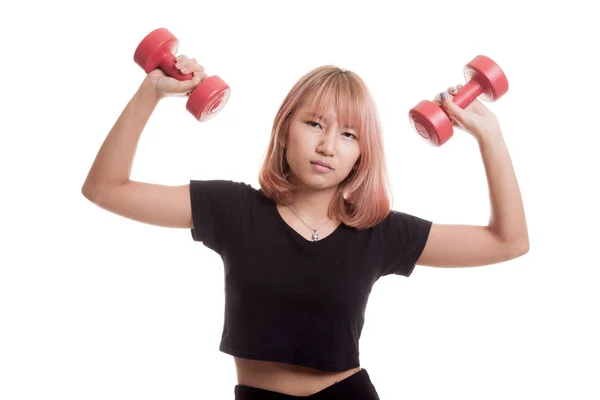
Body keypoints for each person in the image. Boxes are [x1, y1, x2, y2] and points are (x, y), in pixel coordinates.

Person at [82, 55, 529, 399]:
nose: (327, 145)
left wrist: (489, 136)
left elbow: (507, 242)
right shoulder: (231, 208)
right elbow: (106, 188)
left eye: (349, 134)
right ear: (286, 128)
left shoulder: (379, 232)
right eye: (314, 123)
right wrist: (152, 92)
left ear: (362, 153)